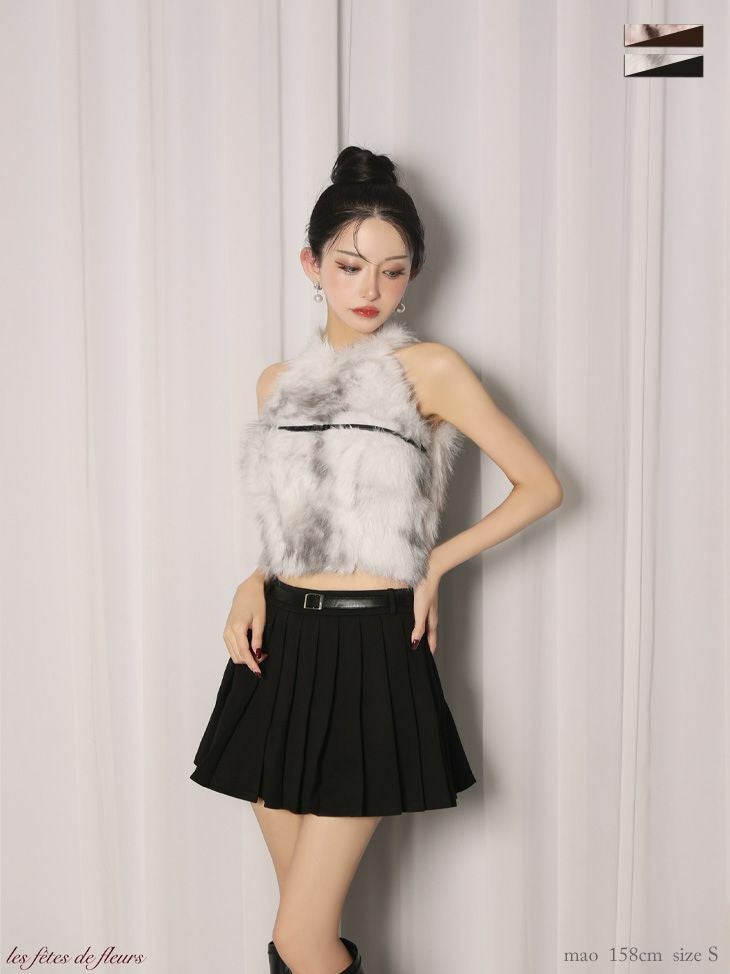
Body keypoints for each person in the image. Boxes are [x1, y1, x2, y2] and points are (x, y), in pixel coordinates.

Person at [190, 145, 563, 974]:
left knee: (299, 936)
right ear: (312, 265)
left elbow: (541, 486)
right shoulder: (276, 384)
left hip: (369, 649)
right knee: (299, 932)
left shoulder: (428, 370)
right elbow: (294, 524)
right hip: (276, 650)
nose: (370, 290)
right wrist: (254, 578)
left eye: (393, 272)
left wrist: (435, 563)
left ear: (412, 275)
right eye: (350, 266)